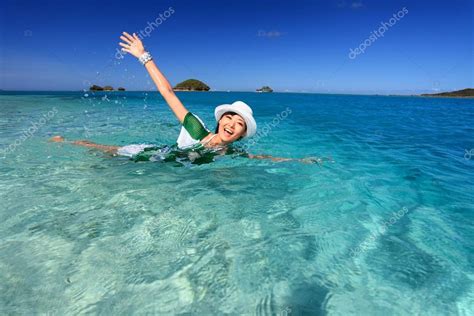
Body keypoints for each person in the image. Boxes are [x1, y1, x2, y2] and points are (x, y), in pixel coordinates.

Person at [50, 32, 322, 165]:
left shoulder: (233, 152)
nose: (231, 123)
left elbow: (261, 157)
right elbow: (168, 93)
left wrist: (298, 162)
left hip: (158, 171)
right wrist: (144, 56)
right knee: (105, 151)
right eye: (229, 117)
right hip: (149, 156)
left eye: (239, 124)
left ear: (241, 134)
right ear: (220, 121)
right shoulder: (196, 129)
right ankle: (68, 142)